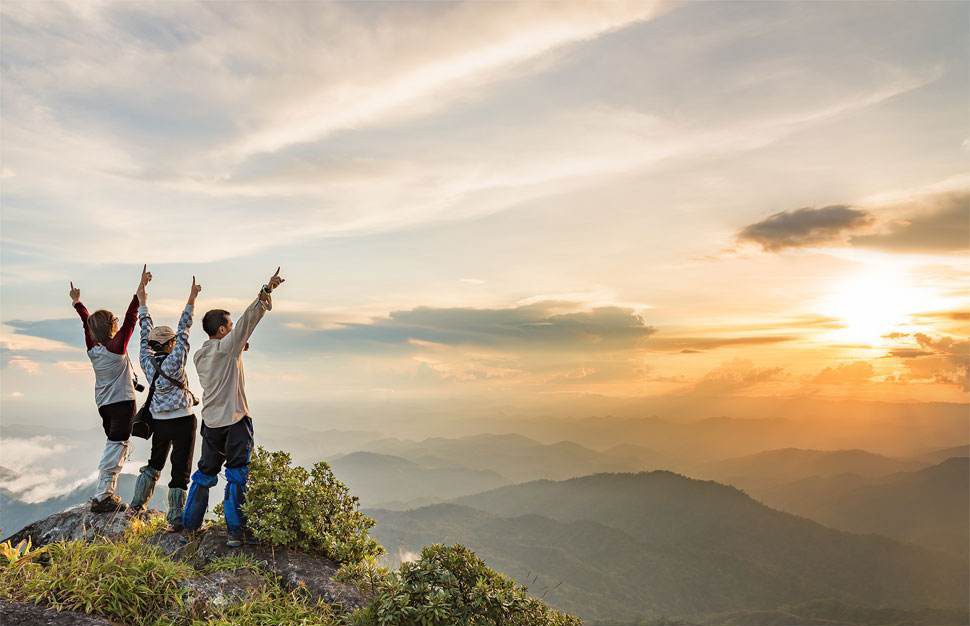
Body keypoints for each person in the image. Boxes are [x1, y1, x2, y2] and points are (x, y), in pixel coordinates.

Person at [182, 267, 285, 546]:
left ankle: (189, 524)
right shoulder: (228, 348)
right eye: (228, 326)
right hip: (236, 420)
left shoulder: (201, 355)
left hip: (211, 424)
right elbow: (248, 322)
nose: (232, 328)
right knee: (238, 475)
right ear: (222, 330)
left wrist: (239, 346)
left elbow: (232, 344)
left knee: (204, 473)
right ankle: (236, 533)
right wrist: (266, 291)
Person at [129, 271, 203, 532]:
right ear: (171, 344)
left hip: (159, 421)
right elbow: (185, 328)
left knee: (155, 461)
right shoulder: (176, 359)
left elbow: (144, 330)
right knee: (180, 470)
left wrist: (143, 300)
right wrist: (192, 298)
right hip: (183, 419)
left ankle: (136, 505)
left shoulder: (146, 361)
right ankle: (175, 519)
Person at [70, 267, 148, 513]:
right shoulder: (116, 349)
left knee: (116, 444)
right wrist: (140, 292)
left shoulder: (93, 349)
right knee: (117, 446)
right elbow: (130, 319)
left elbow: (86, 323)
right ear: (110, 326)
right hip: (123, 403)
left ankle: (107, 494)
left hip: (104, 405)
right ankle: (103, 496)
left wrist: (77, 302)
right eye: (113, 320)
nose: (117, 322)